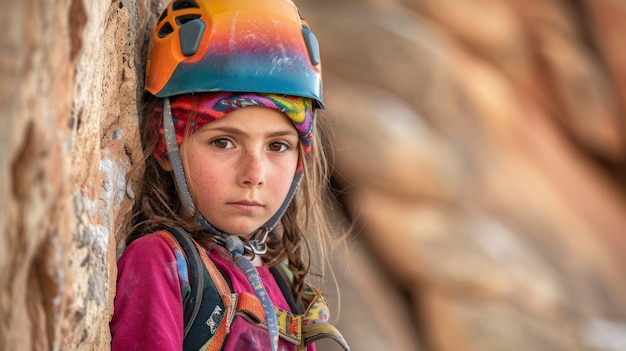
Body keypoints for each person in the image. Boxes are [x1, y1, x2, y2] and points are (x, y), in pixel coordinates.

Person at [110, 0, 350, 350]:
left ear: (300, 159)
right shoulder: (161, 264)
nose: (253, 174)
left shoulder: (284, 286)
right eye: (223, 142)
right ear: (164, 145)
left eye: (278, 146)